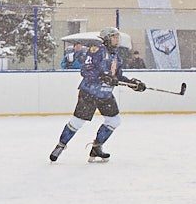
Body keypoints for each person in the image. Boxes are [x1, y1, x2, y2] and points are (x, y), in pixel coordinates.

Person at [51, 28, 145, 163]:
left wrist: (133, 84)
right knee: (77, 122)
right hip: (89, 92)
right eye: (114, 37)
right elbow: (86, 69)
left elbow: (117, 76)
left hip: (105, 94)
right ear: (106, 38)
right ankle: (60, 145)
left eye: (117, 37)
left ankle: (97, 147)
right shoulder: (96, 50)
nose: (117, 40)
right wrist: (103, 76)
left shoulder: (116, 56)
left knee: (114, 121)